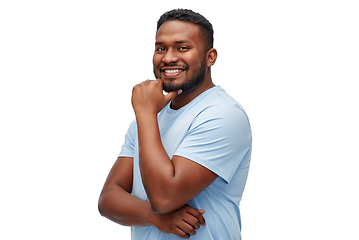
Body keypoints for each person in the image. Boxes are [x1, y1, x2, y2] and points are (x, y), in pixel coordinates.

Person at [98, 9, 252, 240]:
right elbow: (108, 198)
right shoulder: (148, 118)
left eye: (182, 48)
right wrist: (153, 217)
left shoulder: (223, 114)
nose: (168, 58)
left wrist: (146, 112)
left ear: (210, 57)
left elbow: (165, 198)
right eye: (161, 48)